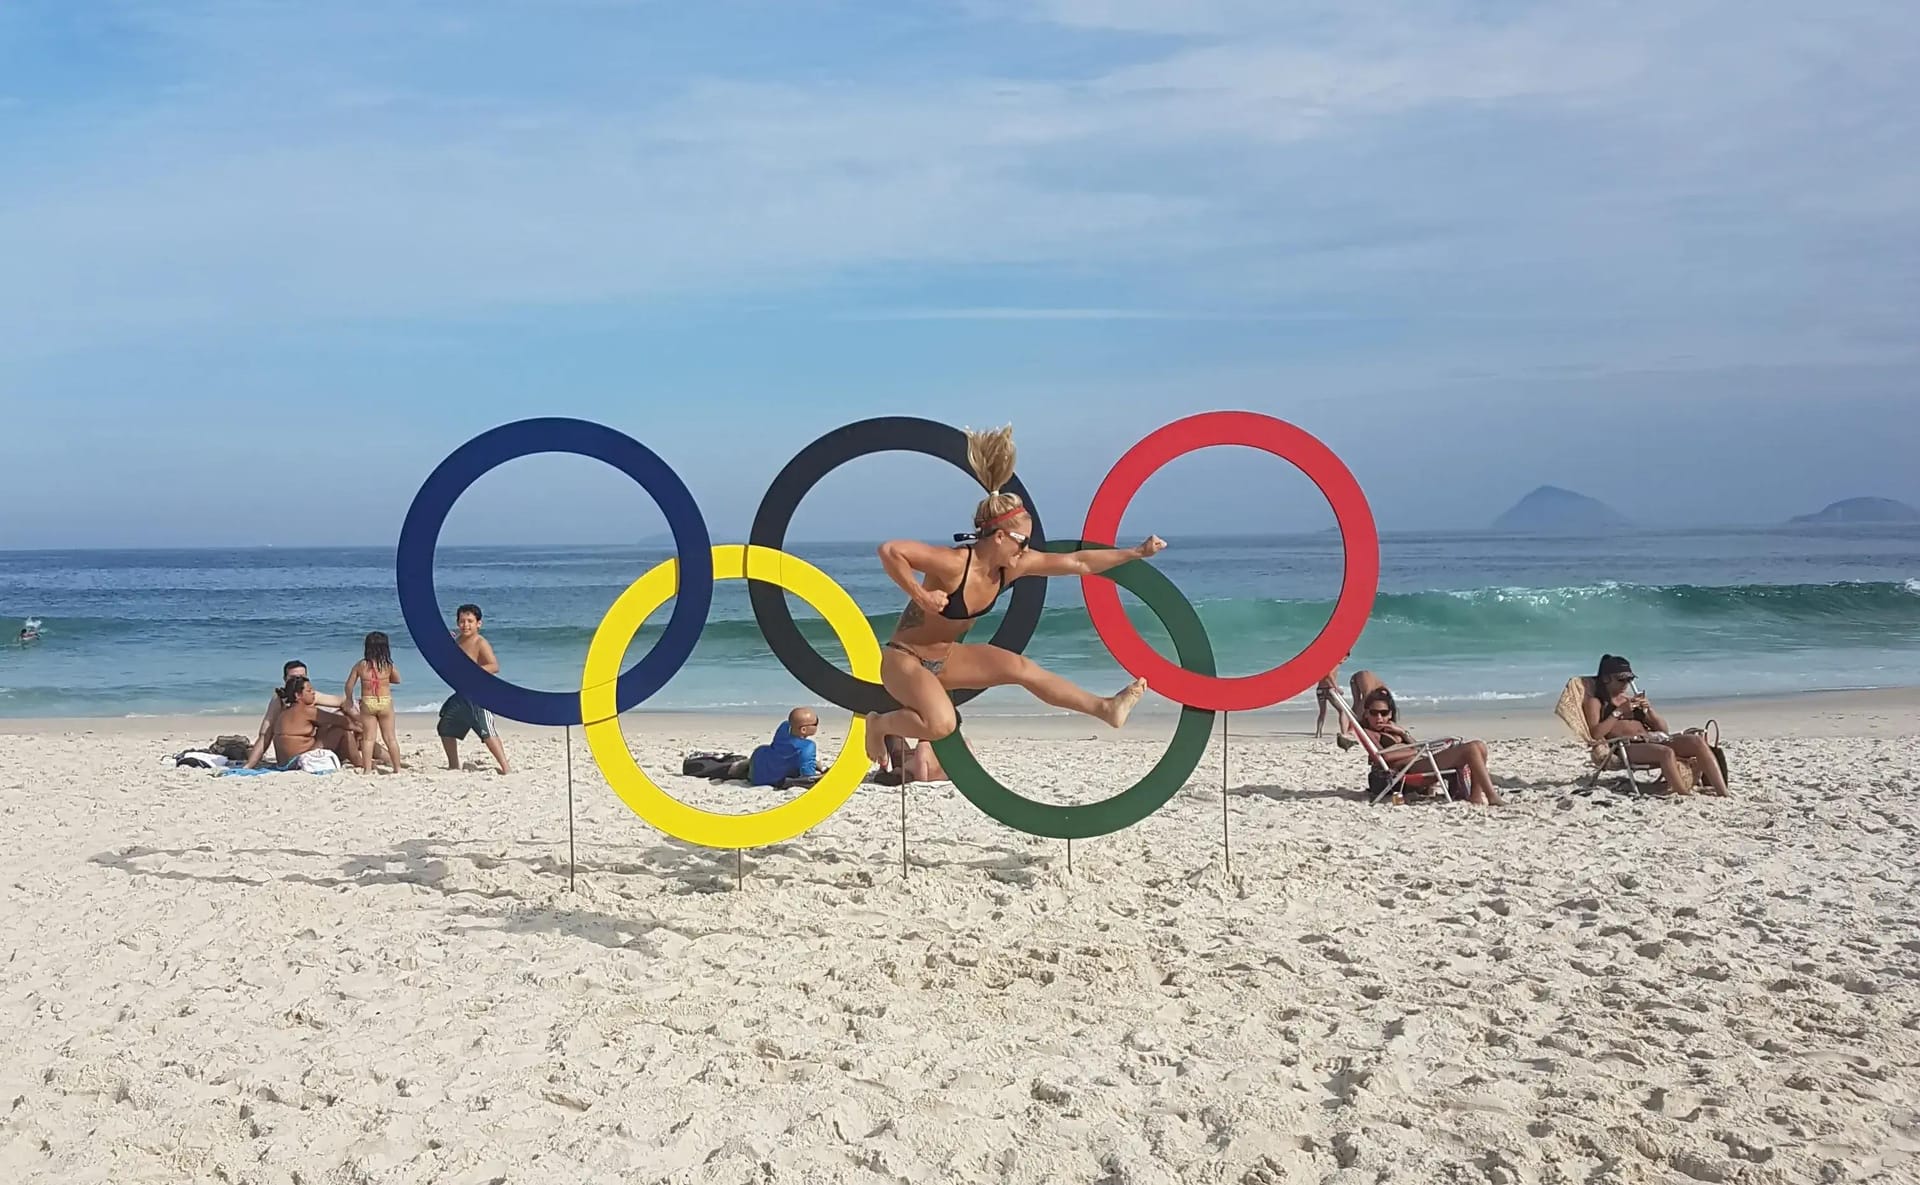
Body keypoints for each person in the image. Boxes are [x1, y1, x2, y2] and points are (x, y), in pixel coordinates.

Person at [863, 425, 1162, 770]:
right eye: (1022, 541)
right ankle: (879, 724)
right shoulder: (954, 564)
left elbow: (1078, 562)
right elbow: (890, 551)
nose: (1026, 549)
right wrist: (921, 595)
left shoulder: (1014, 565)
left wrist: (1135, 553)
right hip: (904, 660)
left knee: (1021, 668)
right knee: (943, 724)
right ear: (1000, 537)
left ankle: (1105, 708)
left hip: (946, 658)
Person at [1583, 654, 1728, 796]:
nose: (1626, 684)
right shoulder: (1597, 702)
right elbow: (1595, 734)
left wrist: (1649, 711)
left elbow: (1663, 729)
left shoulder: (1630, 700)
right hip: (1626, 746)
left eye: (1630, 679)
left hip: (1653, 739)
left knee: (1696, 741)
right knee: (1666, 752)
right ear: (1606, 679)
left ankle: (1723, 792)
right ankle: (1683, 794)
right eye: (1621, 679)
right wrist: (1619, 712)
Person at [1357, 685, 1504, 806]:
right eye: (1374, 713)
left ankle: (1476, 796)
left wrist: (1403, 733)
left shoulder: (1392, 729)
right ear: (1366, 714)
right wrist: (1416, 752)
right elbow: (1382, 757)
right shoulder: (1369, 732)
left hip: (1421, 761)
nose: (1379, 718)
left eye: (1383, 713)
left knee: (1479, 745)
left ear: (1390, 714)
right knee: (1471, 749)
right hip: (1408, 769)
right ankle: (1492, 796)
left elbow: (1416, 745)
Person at [245, 659, 361, 769]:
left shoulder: (298, 701)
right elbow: (265, 734)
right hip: (299, 759)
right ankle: (361, 763)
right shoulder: (283, 702)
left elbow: (343, 703)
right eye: (294, 678)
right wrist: (250, 764)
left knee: (332, 721)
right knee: (341, 730)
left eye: (302, 677)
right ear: (285, 679)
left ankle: (361, 749)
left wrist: (358, 718)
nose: (299, 680)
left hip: (285, 761)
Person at [438, 604, 510, 774]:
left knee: (487, 732)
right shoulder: (458, 641)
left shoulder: (480, 642)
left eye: (470, 621)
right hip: (462, 694)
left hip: (479, 695)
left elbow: (494, 666)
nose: (466, 625)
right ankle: (453, 765)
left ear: (479, 624)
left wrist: (472, 672)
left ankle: (506, 768)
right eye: (462, 621)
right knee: (445, 727)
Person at [252, 675, 343, 771]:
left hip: (282, 764)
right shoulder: (307, 711)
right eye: (309, 690)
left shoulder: (284, 712)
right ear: (298, 695)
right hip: (297, 762)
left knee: (326, 727)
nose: (314, 693)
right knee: (341, 731)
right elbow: (344, 722)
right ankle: (355, 762)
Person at [345, 631, 405, 773]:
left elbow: (349, 685)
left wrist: (349, 699)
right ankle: (397, 768)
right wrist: (384, 679)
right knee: (390, 738)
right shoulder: (388, 665)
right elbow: (397, 680)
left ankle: (367, 769)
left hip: (368, 702)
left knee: (368, 738)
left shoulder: (361, 665)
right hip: (385, 701)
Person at [742, 707, 824, 787]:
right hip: (779, 778)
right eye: (815, 724)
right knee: (806, 760)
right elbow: (808, 775)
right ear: (803, 730)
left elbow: (789, 725)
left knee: (764, 750)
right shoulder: (808, 746)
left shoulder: (784, 727)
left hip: (757, 772)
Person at [871, 734, 947, 786]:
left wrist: (883, 766)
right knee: (891, 734)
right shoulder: (923, 750)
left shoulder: (923, 750)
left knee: (890, 734)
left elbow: (921, 781)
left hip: (910, 766)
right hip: (914, 763)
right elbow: (922, 781)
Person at [1317, 650, 1352, 744]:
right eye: (1344, 658)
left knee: (1322, 712)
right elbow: (1330, 675)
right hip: (1329, 690)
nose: (1344, 660)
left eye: (1346, 659)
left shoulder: (1326, 663)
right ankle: (1344, 732)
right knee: (1342, 711)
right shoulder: (1335, 663)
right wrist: (1336, 687)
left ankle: (1318, 733)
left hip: (1320, 690)